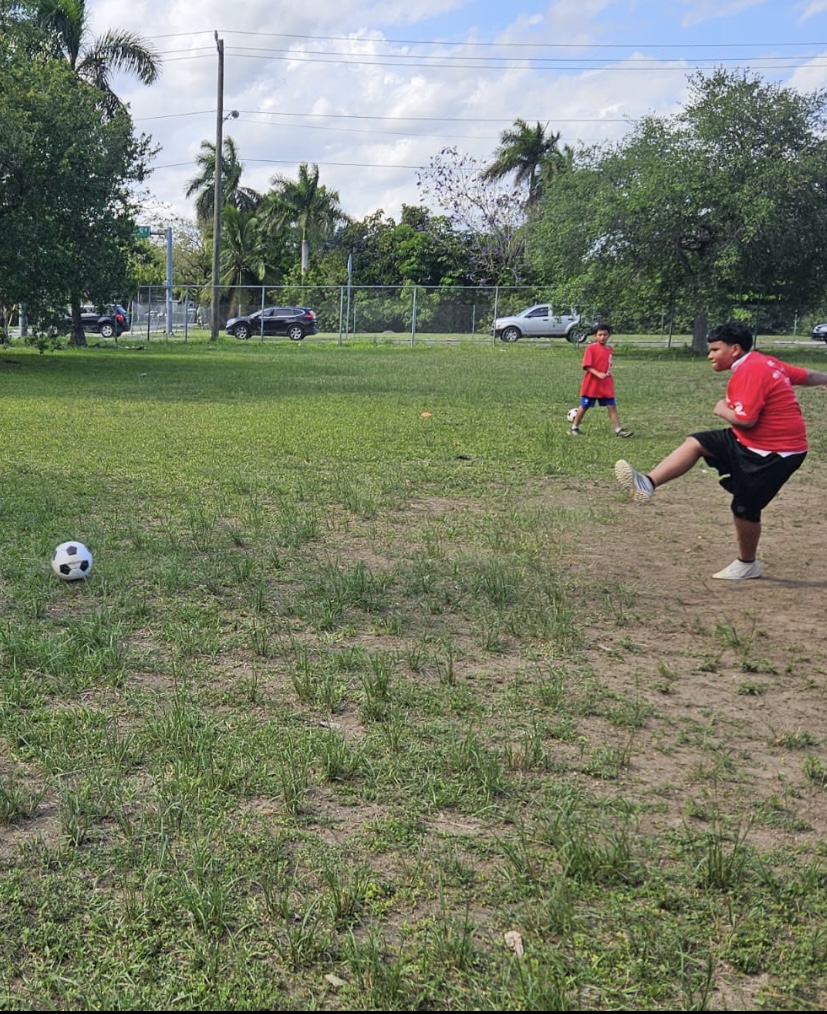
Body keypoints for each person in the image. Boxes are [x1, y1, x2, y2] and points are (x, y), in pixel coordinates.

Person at [615, 320, 827, 580]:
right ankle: (648, 482)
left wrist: (721, 408)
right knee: (697, 442)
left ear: (735, 349)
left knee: (745, 508)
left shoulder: (752, 371)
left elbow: (746, 419)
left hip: (775, 453)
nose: (710, 355)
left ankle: (747, 564)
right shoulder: (763, 361)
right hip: (752, 441)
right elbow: (805, 376)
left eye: (715, 349)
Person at [569, 324, 632, 437]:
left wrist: (605, 375)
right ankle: (574, 427)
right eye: (600, 335)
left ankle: (618, 430)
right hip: (592, 384)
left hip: (605, 383)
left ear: (609, 335)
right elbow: (587, 366)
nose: (602, 337)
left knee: (612, 406)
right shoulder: (591, 348)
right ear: (595, 336)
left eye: (605, 335)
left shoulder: (610, 350)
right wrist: (598, 373)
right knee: (584, 406)